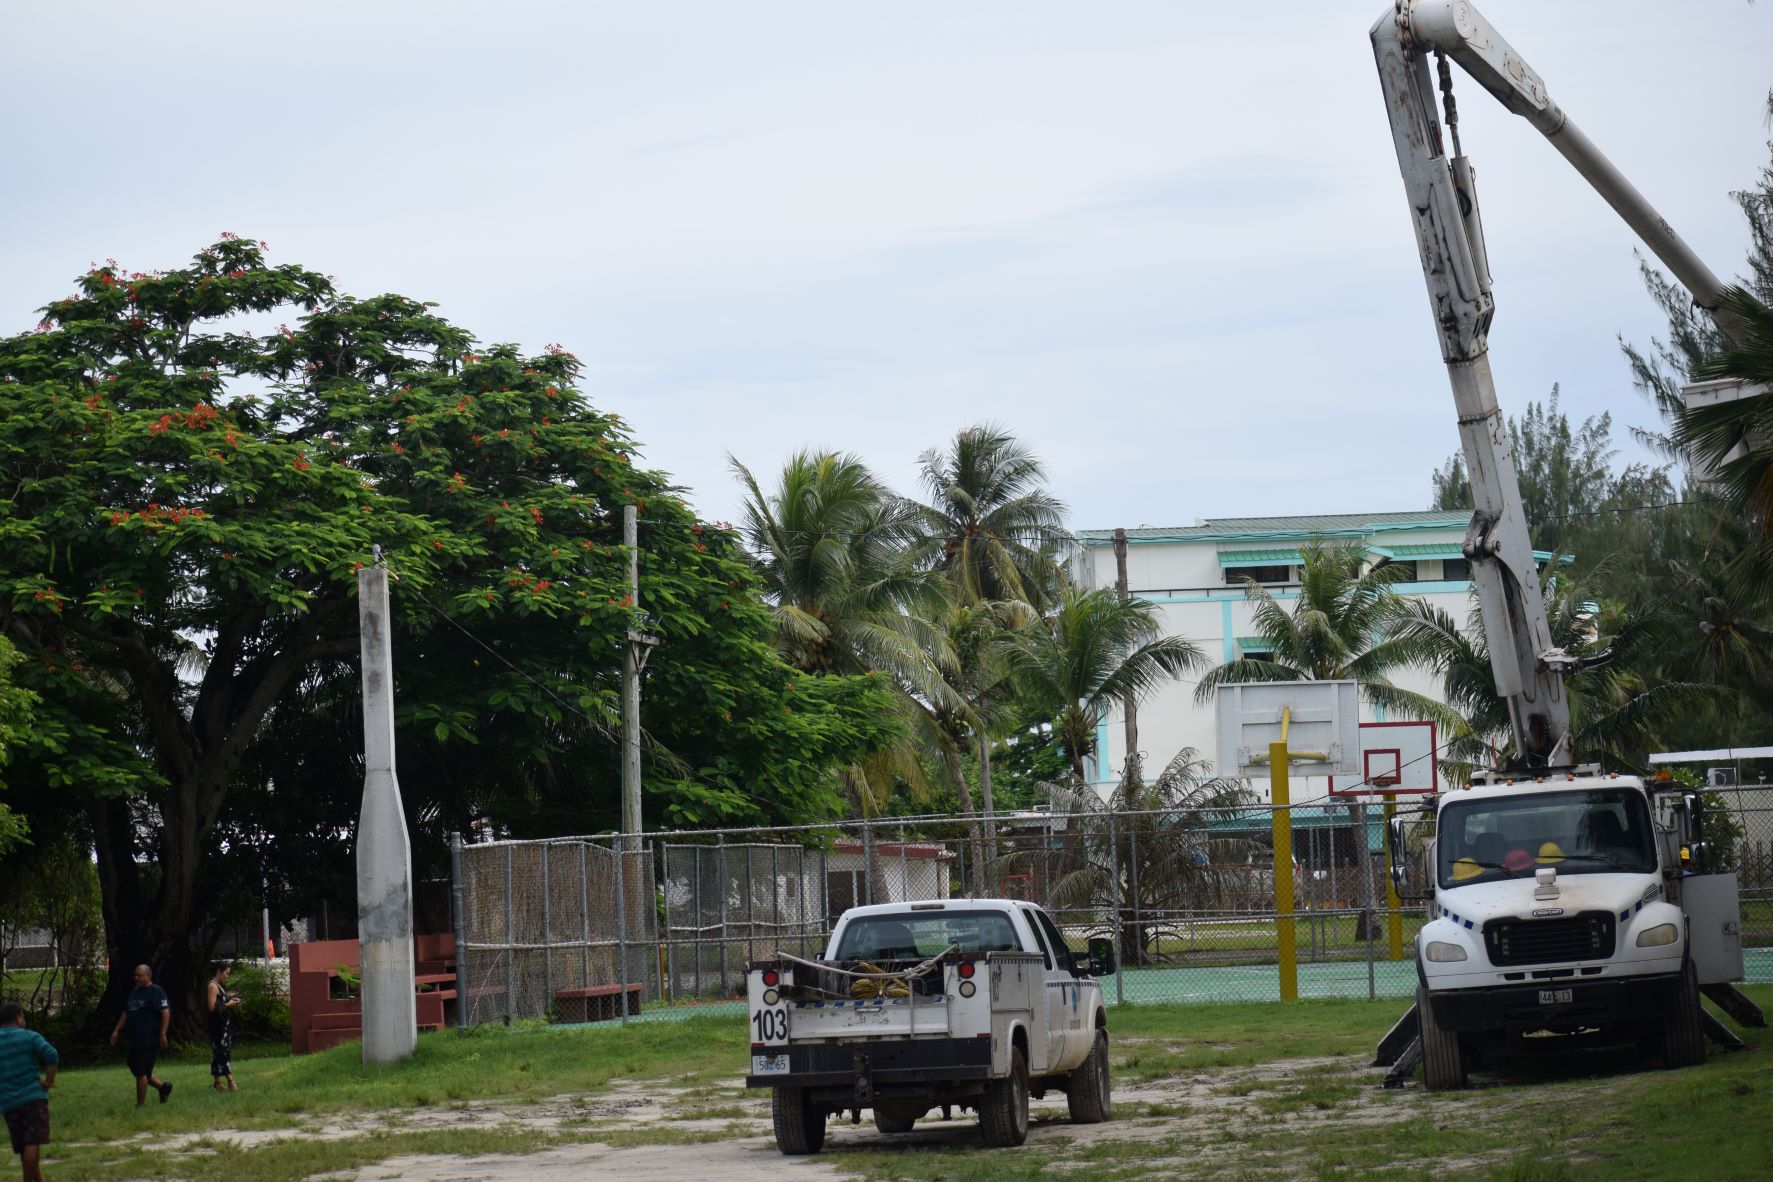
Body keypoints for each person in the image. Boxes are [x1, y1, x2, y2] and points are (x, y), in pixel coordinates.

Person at [0, 1002, 57, 1182]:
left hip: (8, 1101)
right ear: (18, 1018)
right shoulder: (29, 1036)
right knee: (32, 1143)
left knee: (24, 1146)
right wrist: (48, 1081)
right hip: (33, 1097)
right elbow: (51, 1054)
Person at [109, 964, 172, 1107]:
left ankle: (140, 1105)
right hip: (134, 1038)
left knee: (141, 1071)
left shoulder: (156, 991)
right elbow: (126, 1012)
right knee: (137, 1067)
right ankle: (163, 1088)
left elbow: (165, 1012)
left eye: (139, 975)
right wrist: (116, 1030)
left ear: (148, 976)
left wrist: (163, 1033)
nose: (136, 978)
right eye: (135, 975)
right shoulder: (134, 992)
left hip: (148, 1038)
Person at [206, 963, 242, 1091]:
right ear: (218, 972)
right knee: (222, 1053)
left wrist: (231, 998)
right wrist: (229, 1004)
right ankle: (230, 1081)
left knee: (218, 1053)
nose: (227, 976)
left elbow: (220, 1002)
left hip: (223, 1025)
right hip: (217, 1027)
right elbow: (211, 1007)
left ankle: (217, 1083)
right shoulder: (213, 986)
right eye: (226, 973)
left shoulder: (219, 986)